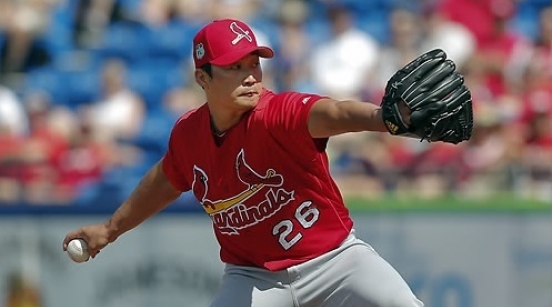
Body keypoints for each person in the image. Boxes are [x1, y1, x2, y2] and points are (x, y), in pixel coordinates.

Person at [63, 19, 424, 307]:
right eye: (234, 67)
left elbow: (334, 112)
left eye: (254, 64)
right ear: (202, 78)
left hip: (336, 262)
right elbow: (164, 179)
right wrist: (110, 229)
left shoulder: (275, 114)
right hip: (254, 277)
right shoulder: (189, 134)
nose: (251, 75)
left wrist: (381, 117)